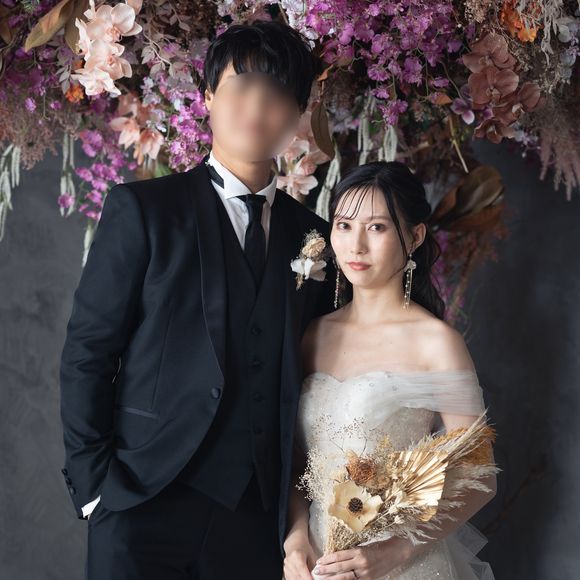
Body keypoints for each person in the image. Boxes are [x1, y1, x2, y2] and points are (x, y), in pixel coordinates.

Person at [59, 19, 336, 579]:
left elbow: (313, 378)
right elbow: (89, 352)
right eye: (241, 86)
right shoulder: (144, 211)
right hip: (142, 500)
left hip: (255, 518)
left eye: (277, 93)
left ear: (298, 114)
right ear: (208, 96)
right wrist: (95, 489)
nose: (257, 106)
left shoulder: (316, 237)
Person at [283, 161, 498, 580]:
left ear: (415, 236)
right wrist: (295, 541)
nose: (356, 245)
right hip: (315, 565)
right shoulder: (313, 334)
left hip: (401, 565)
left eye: (377, 227)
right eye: (344, 226)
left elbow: (480, 476)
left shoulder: (436, 343)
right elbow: (295, 465)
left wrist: (393, 553)